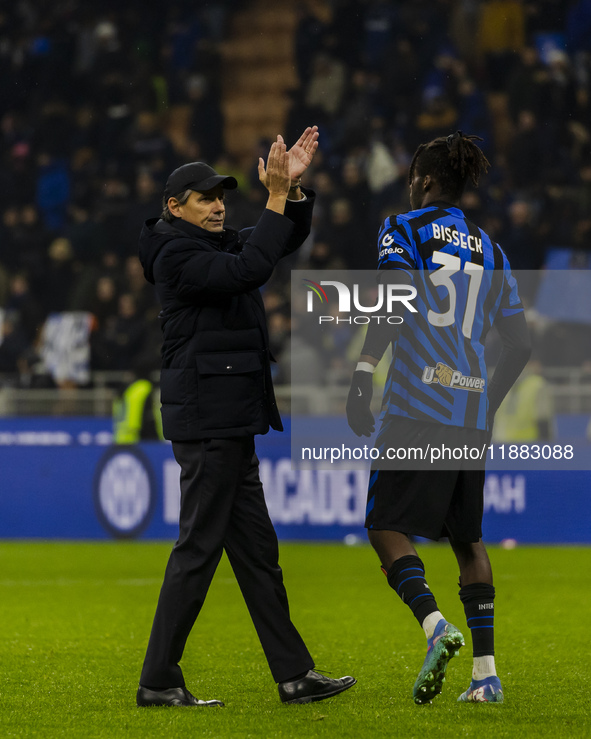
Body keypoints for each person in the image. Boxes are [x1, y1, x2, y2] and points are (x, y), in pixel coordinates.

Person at [136, 128, 356, 708]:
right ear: (173, 207)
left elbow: (275, 241)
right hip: (209, 421)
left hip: (227, 418)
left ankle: (294, 675)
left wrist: (294, 194)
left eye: (221, 197)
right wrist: (276, 198)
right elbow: (253, 267)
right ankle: (158, 679)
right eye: (205, 198)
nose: (217, 206)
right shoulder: (177, 255)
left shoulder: (207, 244)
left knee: (257, 553)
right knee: (198, 549)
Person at [346, 132, 531, 705]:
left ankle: (434, 625)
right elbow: (519, 343)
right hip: (471, 410)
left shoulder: (403, 229)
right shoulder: (489, 247)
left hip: (417, 403)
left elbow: (397, 295)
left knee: (383, 526)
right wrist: (488, 403)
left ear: (424, 181)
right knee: (468, 539)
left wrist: (362, 372)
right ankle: (486, 676)